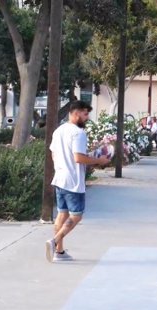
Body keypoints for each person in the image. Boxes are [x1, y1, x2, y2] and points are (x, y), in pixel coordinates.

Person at [46, 100, 110, 262]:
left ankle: (59, 252)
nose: (87, 118)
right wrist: (99, 161)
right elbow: (78, 157)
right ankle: (54, 242)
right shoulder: (78, 133)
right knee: (76, 216)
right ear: (76, 113)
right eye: (85, 114)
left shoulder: (59, 131)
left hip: (59, 178)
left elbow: (53, 153)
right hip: (73, 180)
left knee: (62, 214)